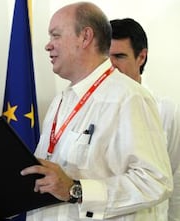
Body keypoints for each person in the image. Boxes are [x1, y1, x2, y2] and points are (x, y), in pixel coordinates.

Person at [17, 2, 172, 220]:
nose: (48, 46)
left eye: (56, 35)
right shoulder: (60, 101)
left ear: (85, 37)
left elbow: (155, 181)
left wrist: (76, 190)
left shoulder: (129, 97)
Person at [110, 18, 180, 221]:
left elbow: (176, 177)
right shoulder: (91, 108)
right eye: (106, 57)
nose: (111, 65)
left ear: (141, 57)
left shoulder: (165, 110)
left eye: (119, 56)